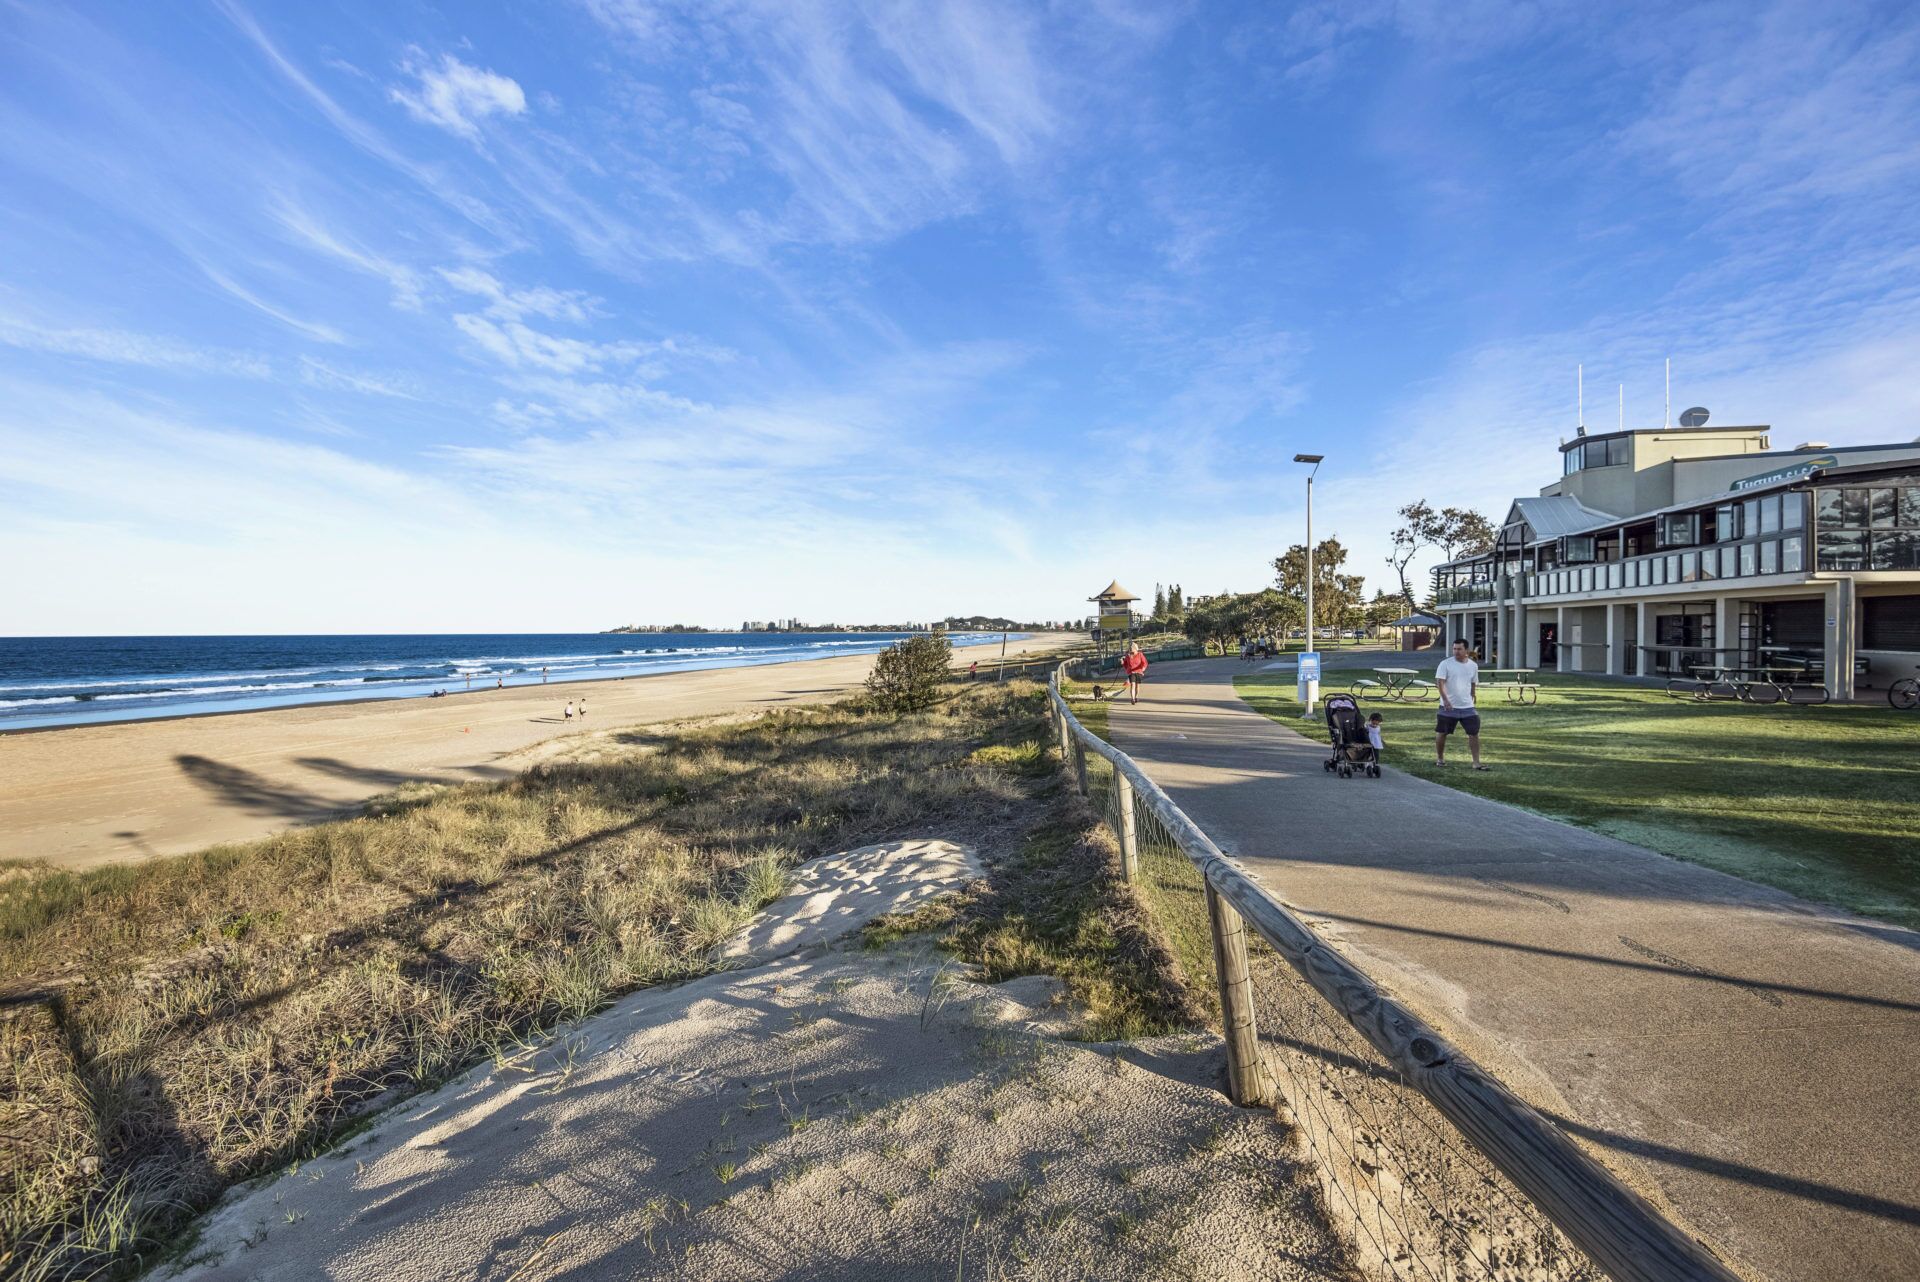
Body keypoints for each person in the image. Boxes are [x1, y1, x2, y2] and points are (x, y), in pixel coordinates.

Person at [1434, 639, 1488, 769]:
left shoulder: (1473, 665)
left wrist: (1473, 694)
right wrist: (1445, 700)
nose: (1456, 652)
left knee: (1474, 733)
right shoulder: (1445, 664)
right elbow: (1439, 683)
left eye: (1459, 649)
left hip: (1467, 707)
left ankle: (1476, 762)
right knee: (1442, 732)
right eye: (1454, 649)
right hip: (1448, 706)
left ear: (1466, 651)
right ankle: (1440, 759)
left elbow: (1473, 681)